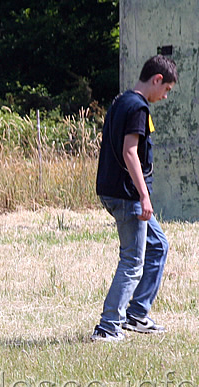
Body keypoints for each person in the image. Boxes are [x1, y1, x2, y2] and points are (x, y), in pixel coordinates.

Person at [91, 54, 178, 342]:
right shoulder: (139, 108)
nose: (165, 96)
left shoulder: (120, 101)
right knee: (132, 261)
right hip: (129, 196)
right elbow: (130, 151)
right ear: (156, 80)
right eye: (166, 89)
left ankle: (137, 314)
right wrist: (144, 196)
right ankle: (107, 326)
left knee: (158, 246)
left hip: (112, 189)